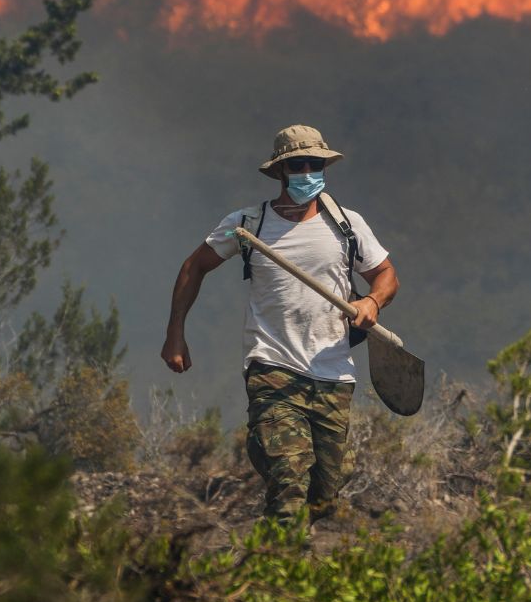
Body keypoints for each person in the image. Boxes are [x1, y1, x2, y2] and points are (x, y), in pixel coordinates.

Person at [161, 124, 400, 522]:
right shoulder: (249, 226)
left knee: (322, 498)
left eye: (314, 164)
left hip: (333, 373)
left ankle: (264, 448)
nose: (307, 172)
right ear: (281, 172)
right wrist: (175, 334)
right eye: (297, 165)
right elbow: (194, 267)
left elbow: (386, 274)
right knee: (290, 479)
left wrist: (373, 301)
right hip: (272, 366)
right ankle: (275, 563)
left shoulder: (347, 225)